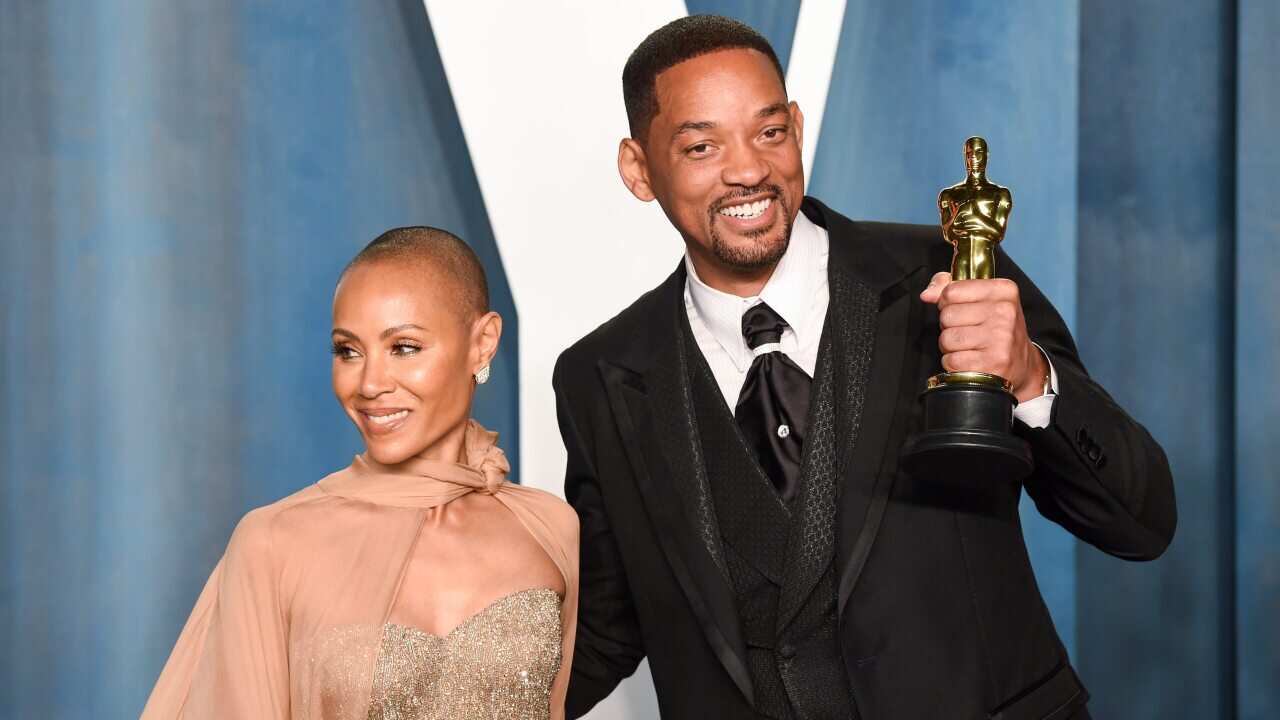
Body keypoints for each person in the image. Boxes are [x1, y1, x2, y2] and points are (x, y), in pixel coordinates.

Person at [553, 15, 1174, 720]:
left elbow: (1140, 523)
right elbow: (606, 626)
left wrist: (1032, 380)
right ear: (639, 170)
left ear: (797, 124)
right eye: (701, 145)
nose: (749, 169)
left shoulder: (945, 282)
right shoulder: (599, 376)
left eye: (770, 132)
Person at [143, 227, 579, 719]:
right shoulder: (272, 543)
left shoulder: (550, 529)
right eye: (348, 351)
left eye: (405, 348)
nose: (370, 384)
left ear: (482, 344)